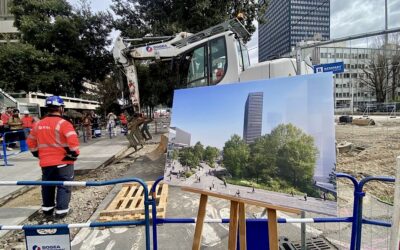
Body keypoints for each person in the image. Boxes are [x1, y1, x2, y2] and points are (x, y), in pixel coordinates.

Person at [27, 96, 80, 219]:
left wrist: (37, 153)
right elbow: (73, 141)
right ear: (61, 108)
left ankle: (47, 210)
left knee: (47, 185)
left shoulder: (38, 124)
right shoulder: (64, 123)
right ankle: (61, 212)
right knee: (63, 185)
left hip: (46, 163)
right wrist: (74, 154)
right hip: (63, 161)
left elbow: (30, 142)